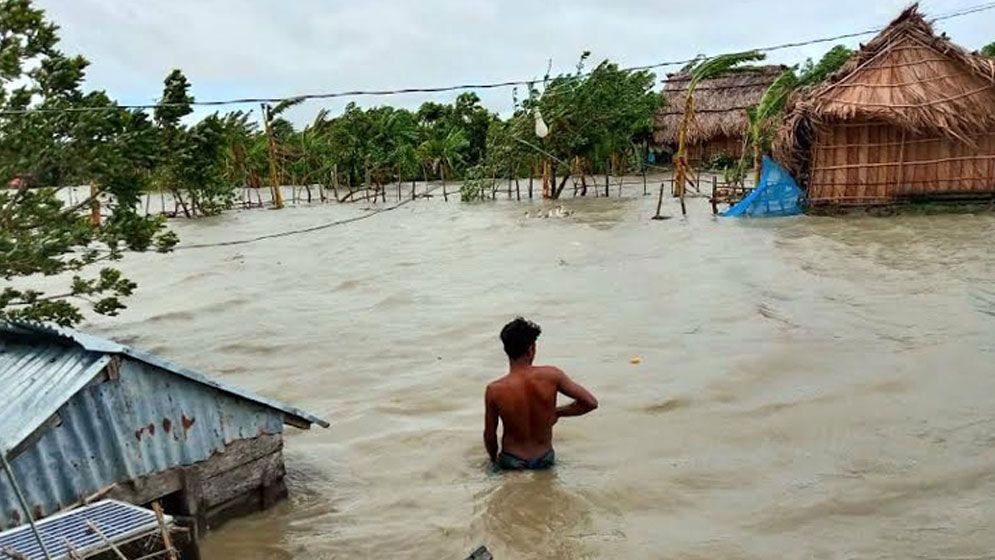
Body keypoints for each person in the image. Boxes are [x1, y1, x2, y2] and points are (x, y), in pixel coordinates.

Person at [484, 317, 598, 470]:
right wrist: (557, 413)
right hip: (545, 458)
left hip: (512, 460)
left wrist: (493, 461)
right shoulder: (552, 376)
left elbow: (490, 436)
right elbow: (590, 402)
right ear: (531, 349)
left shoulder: (494, 390)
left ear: (506, 350)